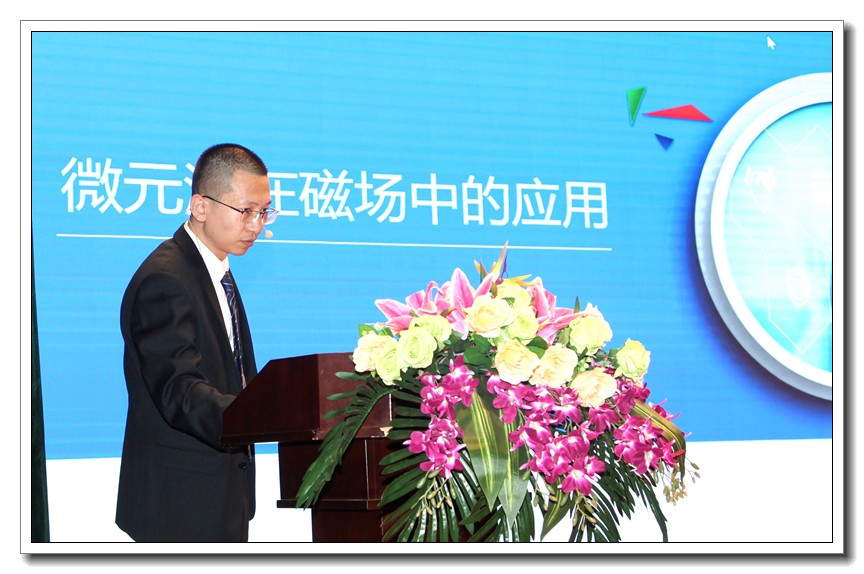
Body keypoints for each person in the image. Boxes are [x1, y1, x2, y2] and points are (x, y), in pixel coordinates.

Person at [115, 143, 276, 542]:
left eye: (264, 212)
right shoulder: (166, 279)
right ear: (200, 207)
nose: (256, 225)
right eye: (246, 211)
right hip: (180, 504)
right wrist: (260, 415)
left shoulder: (216, 270)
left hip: (220, 496)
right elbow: (179, 391)